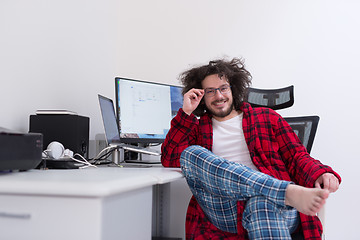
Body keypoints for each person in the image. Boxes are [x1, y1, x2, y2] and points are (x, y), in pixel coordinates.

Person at [161, 58, 341, 240]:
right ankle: (284, 191)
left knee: (261, 204)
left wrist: (320, 173)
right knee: (190, 153)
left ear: (233, 88)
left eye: (223, 88)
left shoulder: (267, 117)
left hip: (275, 206)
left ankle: (279, 193)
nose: (219, 96)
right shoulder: (198, 129)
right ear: (201, 96)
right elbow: (170, 158)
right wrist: (185, 113)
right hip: (224, 208)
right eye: (210, 91)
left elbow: (297, 156)